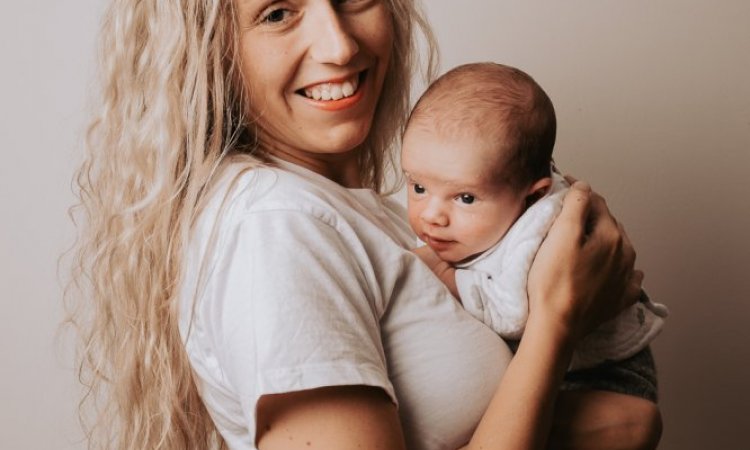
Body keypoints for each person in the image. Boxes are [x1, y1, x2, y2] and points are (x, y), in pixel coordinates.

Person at [67, 1, 661, 450]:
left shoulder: (370, 211)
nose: (340, 44)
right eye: (278, 13)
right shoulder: (276, 224)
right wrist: (556, 318)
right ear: (213, 49)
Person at [402, 62, 669, 374]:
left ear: (532, 196)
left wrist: (449, 278)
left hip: (608, 373)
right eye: (419, 187)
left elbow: (515, 316)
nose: (432, 215)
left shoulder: (543, 231)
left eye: (465, 198)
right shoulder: (483, 206)